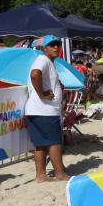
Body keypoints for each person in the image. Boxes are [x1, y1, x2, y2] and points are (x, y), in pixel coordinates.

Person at [26, 35, 69, 183]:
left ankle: (41, 175)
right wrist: (42, 94)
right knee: (54, 142)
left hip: (36, 110)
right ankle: (60, 174)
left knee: (41, 145)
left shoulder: (47, 61)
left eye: (57, 44)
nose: (56, 47)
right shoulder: (43, 60)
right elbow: (34, 74)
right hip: (44, 110)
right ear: (45, 48)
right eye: (52, 45)